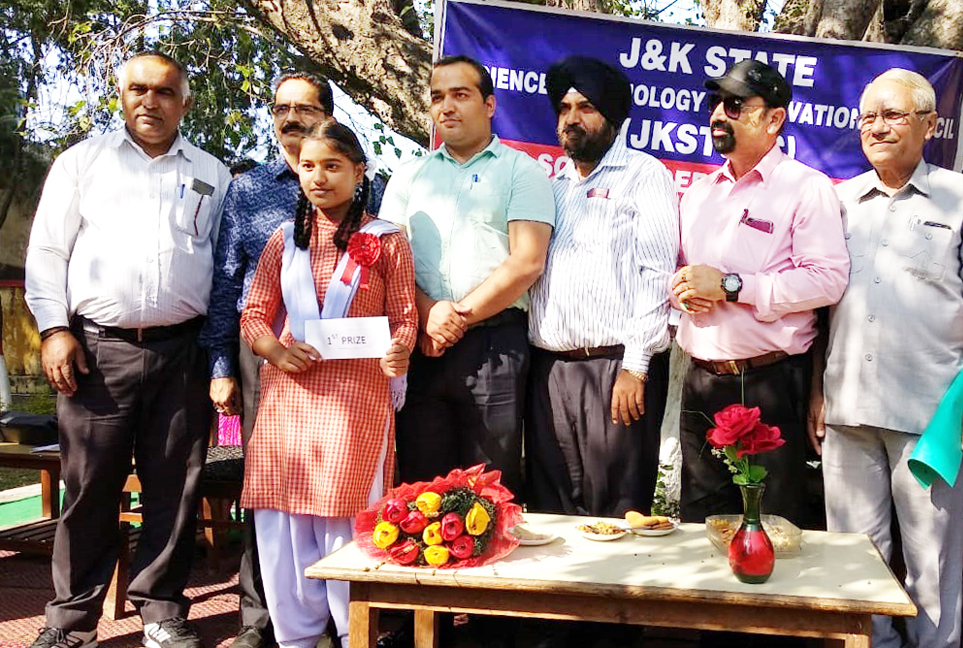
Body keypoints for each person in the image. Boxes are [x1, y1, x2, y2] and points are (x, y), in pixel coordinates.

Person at [24, 52, 231, 648]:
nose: (150, 101)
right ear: (121, 96)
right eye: (138, 89)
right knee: (88, 487)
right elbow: (46, 253)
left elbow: (220, 269)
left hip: (181, 354)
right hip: (96, 352)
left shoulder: (212, 174)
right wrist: (54, 329)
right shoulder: (82, 164)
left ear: (185, 102)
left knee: (176, 486)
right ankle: (70, 622)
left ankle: (162, 613)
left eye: (165, 92)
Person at [809, 68, 963, 648]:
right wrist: (817, 391)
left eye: (893, 115)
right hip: (848, 408)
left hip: (933, 415)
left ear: (929, 124)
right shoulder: (838, 201)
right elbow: (822, 306)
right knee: (853, 558)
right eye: (868, 116)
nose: (877, 127)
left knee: (933, 560)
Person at [198, 70, 385, 648]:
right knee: (274, 495)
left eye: (304, 108)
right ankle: (265, 620)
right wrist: (224, 366)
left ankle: (349, 621)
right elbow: (229, 281)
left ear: (328, 114)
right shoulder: (249, 189)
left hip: (353, 373)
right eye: (280, 108)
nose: (290, 118)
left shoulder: (365, 191)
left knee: (343, 496)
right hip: (271, 362)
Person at [239, 120, 417, 648]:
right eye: (308, 166)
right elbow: (252, 315)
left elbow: (405, 316)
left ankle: (351, 633)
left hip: (355, 402)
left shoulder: (385, 242)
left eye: (332, 166)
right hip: (287, 403)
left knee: (345, 517)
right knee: (283, 517)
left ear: (359, 172)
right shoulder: (281, 241)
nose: (318, 177)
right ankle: (295, 636)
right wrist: (274, 348)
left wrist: (400, 348)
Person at [671, 59, 849, 525]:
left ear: (774, 119)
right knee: (701, 525)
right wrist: (683, 291)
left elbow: (827, 280)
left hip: (768, 383)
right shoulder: (699, 193)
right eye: (715, 103)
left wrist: (730, 286)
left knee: (770, 526)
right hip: (702, 379)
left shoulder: (806, 189)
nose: (717, 115)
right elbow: (680, 272)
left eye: (734, 104)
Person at [379, 55, 555, 496]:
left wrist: (453, 316)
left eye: (461, 95)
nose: (447, 107)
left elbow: (527, 262)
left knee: (490, 488)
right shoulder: (408, 176)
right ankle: (426, 568)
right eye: (438, 97)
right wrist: (429, 314)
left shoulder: (522, 171)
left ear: (490, 105)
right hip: (421, 347)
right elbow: (389, 263)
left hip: (494, 346)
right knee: (421, 490)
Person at [525, 56, 679, 518]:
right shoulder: (552, 187)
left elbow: (656, 273)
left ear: (612, 116)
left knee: (618, 513)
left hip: (617, 369)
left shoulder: (644, 174)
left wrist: (635, 368)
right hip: (551, 372)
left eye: (586, 107)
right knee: (553, 510)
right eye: (564, 108)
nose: (571, 119)